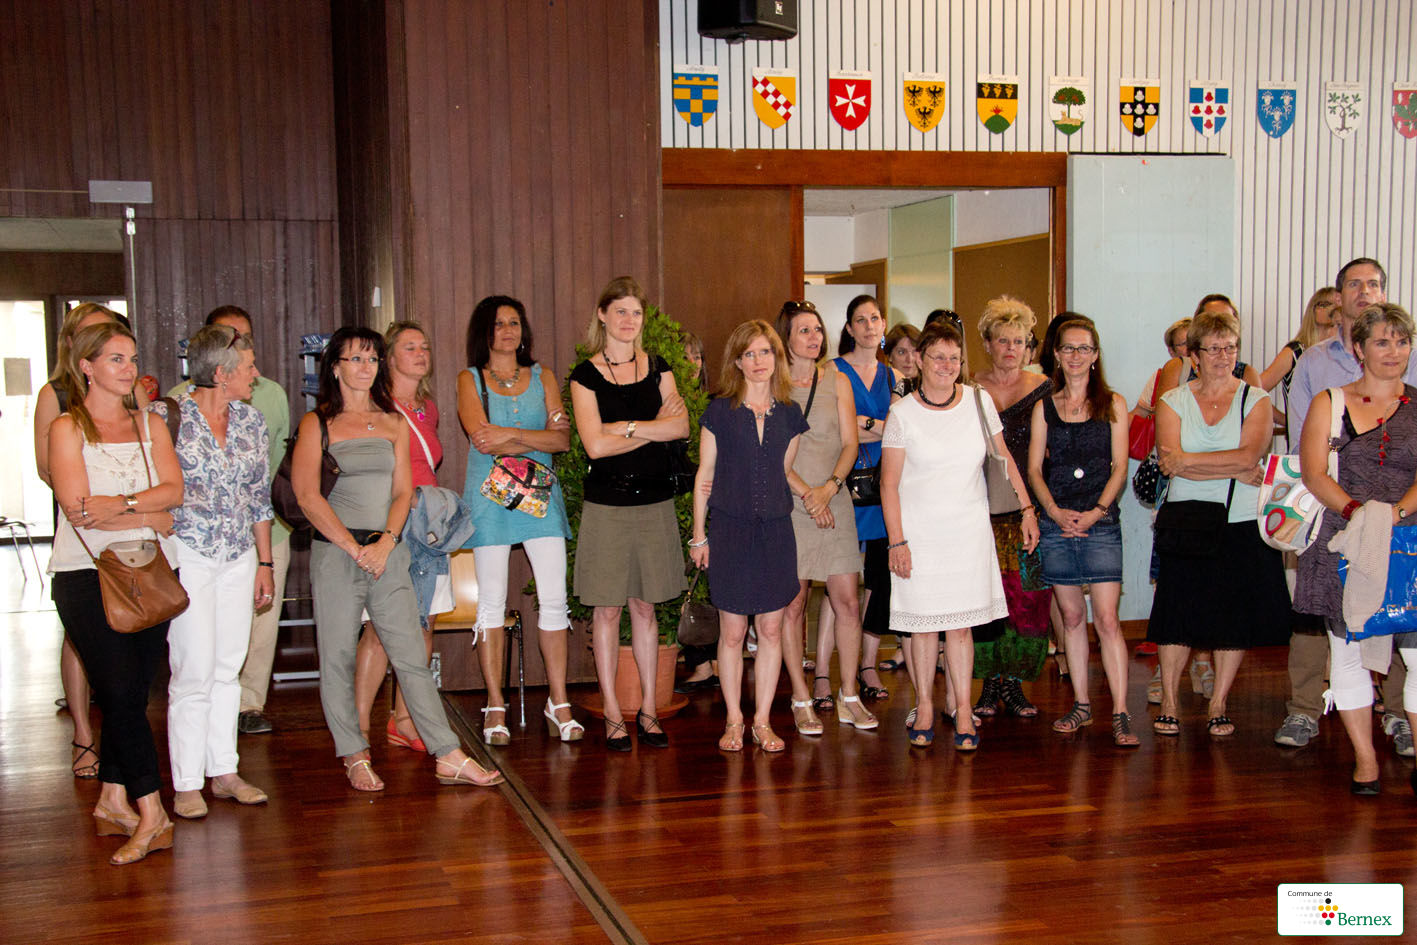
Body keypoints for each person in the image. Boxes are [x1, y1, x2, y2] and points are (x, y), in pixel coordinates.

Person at [292, 326, 501, 790]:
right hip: (336, 553)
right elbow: (307, 496)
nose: (365, 367)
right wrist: (353, 548)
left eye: (371, 359)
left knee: (410, 654)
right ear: (335, 368)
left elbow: (404, 491)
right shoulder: (317, 423)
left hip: (389, 551)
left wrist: (386, 543)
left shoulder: (393, 422)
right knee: (338, 657)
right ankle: (354, 753)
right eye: (355, 359)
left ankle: (447, 754)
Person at [47, 320, 181, 864]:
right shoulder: (67, 428)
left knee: (132, 694)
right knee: (121, 694)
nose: (130, 370)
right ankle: (153, 813)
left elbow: (174, 492)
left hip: (150, 573)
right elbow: (80, 510)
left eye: (132, 358)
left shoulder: (151, 424)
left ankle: (110, 801)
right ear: (86, 367)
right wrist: (149, 512)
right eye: (116, 360)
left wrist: (124, 505)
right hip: (85, 575)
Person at [1280, 258, 1417, 756]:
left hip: (1407, 536)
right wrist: (1360, 513)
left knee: (1413, 651)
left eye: (1401, 342)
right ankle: (1358, 756)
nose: (1393, 351)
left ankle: (1403, 728)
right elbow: (1311, 467)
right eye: (1382, 342)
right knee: (1344, 649)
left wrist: (1394, 514)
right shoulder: (1326, 390)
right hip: (1340, 534)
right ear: (1360, 348)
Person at [880, 320, 1038, 750]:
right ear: (919, 360)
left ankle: (963, 709)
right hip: (918, 536)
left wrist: (1027, 509)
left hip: (968, 532)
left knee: (961, 628)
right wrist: (897, 541)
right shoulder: (902, 414)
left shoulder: (977, 401)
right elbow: (889, 484)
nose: (947, 365)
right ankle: (925, 706)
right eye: (938, 357)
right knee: (924, 628)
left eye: (954, 358)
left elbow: (1004, 458)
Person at [1146, 306, 1289, 737]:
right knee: (1176, 615)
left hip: (1240, 520)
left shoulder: (1256, 399)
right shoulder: (1172, 401)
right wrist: (1228, 465)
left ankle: (1219, 702)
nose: (1224, 356)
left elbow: (1250, 457)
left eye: (1230, 347)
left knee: (1233, 617)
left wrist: (1191, 461)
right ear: (1194, 356)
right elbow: (1169, 462)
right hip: (1185, 520)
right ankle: (1170, 702)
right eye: (1213, 349)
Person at [569, 277, 690, 751]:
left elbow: (680, 428)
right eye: (620, 311)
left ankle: (648, 711)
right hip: (607, 506)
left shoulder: (659, 369)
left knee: (645, 607)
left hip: (655, 503)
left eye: (636, 312)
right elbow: (595, 447)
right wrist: (652, 427)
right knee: (606, 609)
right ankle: (613, 713)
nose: (628, 320)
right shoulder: (585, 376)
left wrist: (626, 426)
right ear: (602, 315)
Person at [165, 305, 291, 738]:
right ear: (220, 369)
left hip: (243, 550)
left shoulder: (253, 417)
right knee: (193, 667)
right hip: (190, 554)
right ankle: (188, 770)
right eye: (247, 363)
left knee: (230, 661)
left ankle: (225, 761)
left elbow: (260, 492)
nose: (255, 372)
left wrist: (264, 561)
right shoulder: (170, 413)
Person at [459, 297, 579, 745]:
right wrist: (536, 438)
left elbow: (562, 439)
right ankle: (495, 704)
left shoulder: (543, 376)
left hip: (541, 500)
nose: (508, 330)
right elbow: (482, 441)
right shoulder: (469, 379)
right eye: (498, 324)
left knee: (554, 599)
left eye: (514, 322)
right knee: (490, 602)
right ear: (484, 332)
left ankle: (558, 702)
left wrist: (510, 435)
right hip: (489, 500)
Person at [690, 320, 808, 751]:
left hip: (776, 532)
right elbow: (704, 477)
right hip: (730, 532)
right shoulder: (719, 412)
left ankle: (762, 721)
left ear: (777, 358)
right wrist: (699, 536)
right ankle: (734, 720)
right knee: (733, 631)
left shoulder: (791, 415)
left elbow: (781, 472)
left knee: (772, 629)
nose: (759, 361)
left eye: (766, 352)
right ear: (737, 362)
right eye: (749, 354)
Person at [33, 302, 131, 778]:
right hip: (81, 523)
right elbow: (46, 468)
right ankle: (83, 735)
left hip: (130, 528)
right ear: (74, 345)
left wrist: (123, 505)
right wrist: (91, 503)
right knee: (79, 636)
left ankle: (122, 743)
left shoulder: (130, 390)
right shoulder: (54, 394)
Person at [1028, 319, 1136, 745]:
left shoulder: (1114, 404)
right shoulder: (1044, 407)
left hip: (1101, 522)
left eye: (1084, 348)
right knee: (1071, 618)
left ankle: (1121, 711)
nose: (1075, 356)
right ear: (1056, 355)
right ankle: (1082, 705)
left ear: (1095, 355)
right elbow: (1034, 469)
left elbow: (1120, 467)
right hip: (1057, 522)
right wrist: (1054, 512)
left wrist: (1096, 512)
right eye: (1068, 348)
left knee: (1107, 619)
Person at [351, 320, 455, 752]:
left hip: (428, 524)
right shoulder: (376, 406)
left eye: (424, 346)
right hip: (391, 523)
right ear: (389, 357)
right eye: (410, 347)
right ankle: (357, 728)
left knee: (424, 622)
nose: (420, 353)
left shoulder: (427, 408)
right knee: (380, 626)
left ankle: (405, 720)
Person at [775, 301, 877, 733]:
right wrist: (807, 495)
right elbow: (771, 453)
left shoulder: (837, 380)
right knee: (793, 604)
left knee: (848, 601)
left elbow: (851, 444)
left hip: (834, 500)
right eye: (804, 330)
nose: (814, 337)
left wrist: (829, 489)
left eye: (817, 329)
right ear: (786, 337)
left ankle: (849, 694)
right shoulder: (773, 385)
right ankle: (801, 696)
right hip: (791, 504)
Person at [971, 297, 1053, 719]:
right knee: (986, 598)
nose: (1010, 349)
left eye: (1018, 341)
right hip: (979, 509)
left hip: (1029, 510)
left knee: (1029, 601)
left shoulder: (1045, 388)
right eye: (1003, 340)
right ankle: (988, 684)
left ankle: (1015, 684)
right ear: (987, 343)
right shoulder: (968, 388)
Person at [832, 295, 900, 706]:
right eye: (861, 320)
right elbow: (836, 429)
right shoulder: (832, 371)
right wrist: (877, 425)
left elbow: (900, 430)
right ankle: (824, 676)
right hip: (842, 482)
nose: (869, 326)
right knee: (838, 583)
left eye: (875, 318)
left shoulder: (893, 375)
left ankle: (867, 666)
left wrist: (863, 423)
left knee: (876, 580)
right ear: (850, 328)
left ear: (883, 324)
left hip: (883, 485)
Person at [675, 329, 719, 694]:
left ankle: (717, 664)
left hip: (712, 502)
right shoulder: (667, 404)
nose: (692, 364)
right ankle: (701, 664)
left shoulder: (714, 404)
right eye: (685, 357)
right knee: (688, 586)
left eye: (697, 357)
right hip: (677, 503)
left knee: (713, 586)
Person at [884, 324, 921, 395]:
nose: (909, 359)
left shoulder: (933, 388)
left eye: (915, 352)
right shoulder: (881, 388)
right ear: (889, 356)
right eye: (901, 352)